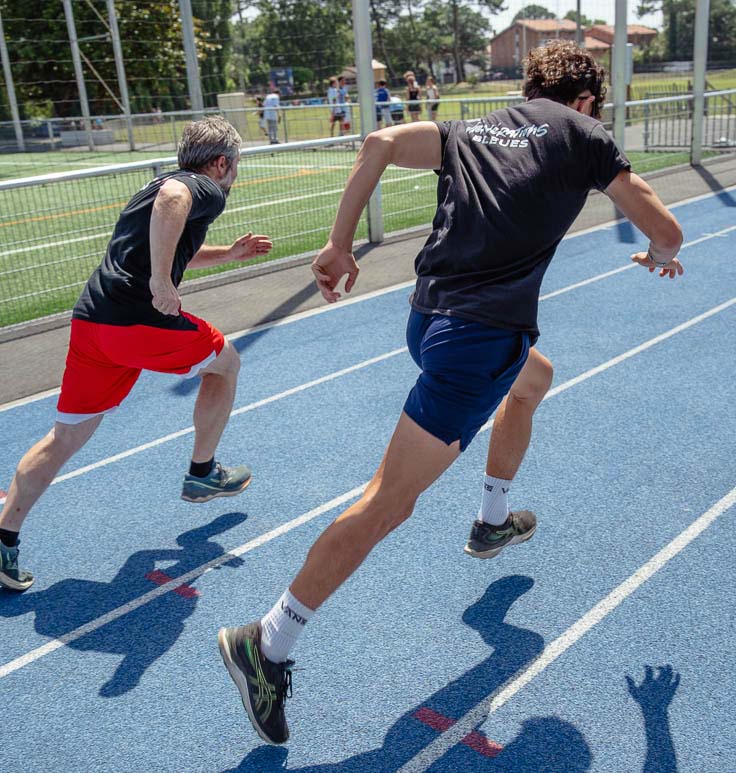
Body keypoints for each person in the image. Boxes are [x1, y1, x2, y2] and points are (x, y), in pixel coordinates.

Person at [217, 40, 684, 745]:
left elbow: (374, 140)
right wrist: (661, 253)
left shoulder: (472, 128)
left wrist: (338, 244)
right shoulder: (585, 134)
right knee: (388, 503)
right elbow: (667, 228)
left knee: (534, 378)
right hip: (476, 341)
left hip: (428, 317)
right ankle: (269, 641)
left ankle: (490, 517)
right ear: (586, 100)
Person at [0, 116, 273, 593]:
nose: (235, 175)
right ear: (222, 162)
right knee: (226, 363)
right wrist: (162, 283)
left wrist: (227, 253)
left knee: (63, 438)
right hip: (137, 320)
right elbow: (175, 206)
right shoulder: (198, 186)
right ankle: (203, 472)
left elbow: (161, 241)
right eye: (236, 166)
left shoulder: (156, 185)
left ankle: (4, 535)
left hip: (93, 323)